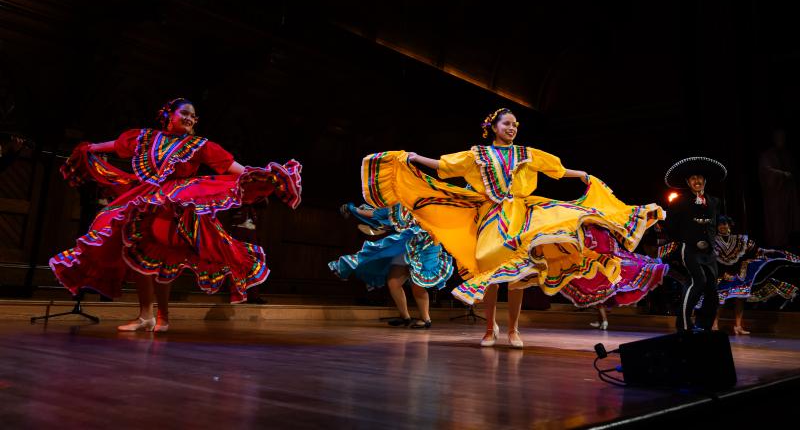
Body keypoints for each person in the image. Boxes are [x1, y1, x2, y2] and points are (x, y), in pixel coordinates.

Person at [360, 108, 664, 348]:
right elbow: (445, 166)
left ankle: (514, 330)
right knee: (492, 269)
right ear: (494, 127)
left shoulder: (526, 154)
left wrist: (582, 174)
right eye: (507, 123)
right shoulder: (478, 154)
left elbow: (554, 169)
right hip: (491, 217)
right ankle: (490, 327)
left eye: (515, 124)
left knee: (519, 274)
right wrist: (414, 157)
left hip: (523, 213)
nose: (512, 127)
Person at [50, 98, 302, 332]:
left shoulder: (200, 145)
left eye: (194, 116)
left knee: (161, 256)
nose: (191, 119)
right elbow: (116, 146)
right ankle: (146, 315)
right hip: (143, 197)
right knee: (136, 251)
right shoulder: (143, 137)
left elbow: (232, 167)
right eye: (185, 113)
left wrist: (262, 177)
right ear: (168, 114)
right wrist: (89, 148)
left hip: (175, 201)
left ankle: (163, 316)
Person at [329, 202, 454, 329]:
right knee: (393, 283)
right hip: (404, 246)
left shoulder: (426, 201)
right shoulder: (398, 206)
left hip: (424, 247)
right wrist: (353, 209)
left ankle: (426, 319)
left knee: (417, 284)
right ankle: (405, 317)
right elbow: (375, 214)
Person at [559, 223, 670, 331]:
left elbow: (589, 248)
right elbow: (609, 247)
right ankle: (602, 320)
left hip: (600, 266)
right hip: (606, 263)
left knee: (598, 296)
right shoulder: (602, 231)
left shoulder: (589, 231)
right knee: (599, 297)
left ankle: (604, 320)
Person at [662, 156, 725, 331]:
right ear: (688, 182)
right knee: (697, 282)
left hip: (709, 253)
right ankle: (683, 325)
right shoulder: (680, 202)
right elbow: (670, 227)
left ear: (704, 180)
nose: (696, 181)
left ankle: (703, 326)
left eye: (699, 177)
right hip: (689, 249)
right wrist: (686, 238)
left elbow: (713, 224)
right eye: (692, 178)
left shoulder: (714, 202)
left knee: (712, 290)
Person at [710, 215, 800, 334]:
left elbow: (757, 251)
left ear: (729, 225)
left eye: (725, 224)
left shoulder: (740, 239)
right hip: (722, 274)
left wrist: (774, 253)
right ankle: (714, 325)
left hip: (739, 273)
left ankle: (738, 326)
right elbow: (710, 259)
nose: (722, 227)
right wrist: (721, 274)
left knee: (740, 299)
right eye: (720, 225)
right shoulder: (713, 241)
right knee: (720, 300)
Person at [758, 129, 800, 248]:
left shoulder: (787, 155)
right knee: (776, 223)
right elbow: (765, 171)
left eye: (783, 138)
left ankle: (787, 244)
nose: (782, 140)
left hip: (787, 195)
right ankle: (776, 246)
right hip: (775, 197)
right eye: (779, 137)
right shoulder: (767, 155)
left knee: (788, 222)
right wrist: (783, 175)